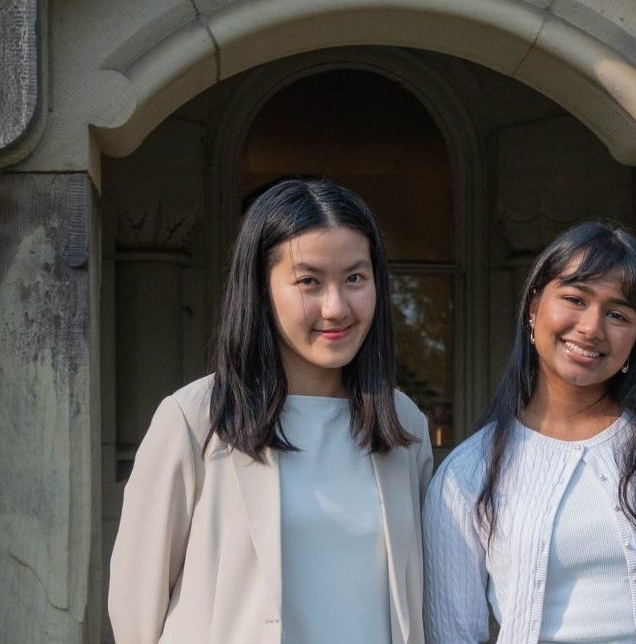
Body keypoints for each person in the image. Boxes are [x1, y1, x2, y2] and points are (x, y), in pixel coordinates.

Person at [110, 179, 433, 643]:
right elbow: (136, 605)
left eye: (355, 278)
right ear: (262, 289)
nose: (336, 306)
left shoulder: (403, 423)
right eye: (308, 282)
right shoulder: (195, 417)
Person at [424, 222, 636, 644]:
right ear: (533, 309)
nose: (592, 327)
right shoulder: (468, 473)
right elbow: (452, 633)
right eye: (575, 299)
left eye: (617, 314)